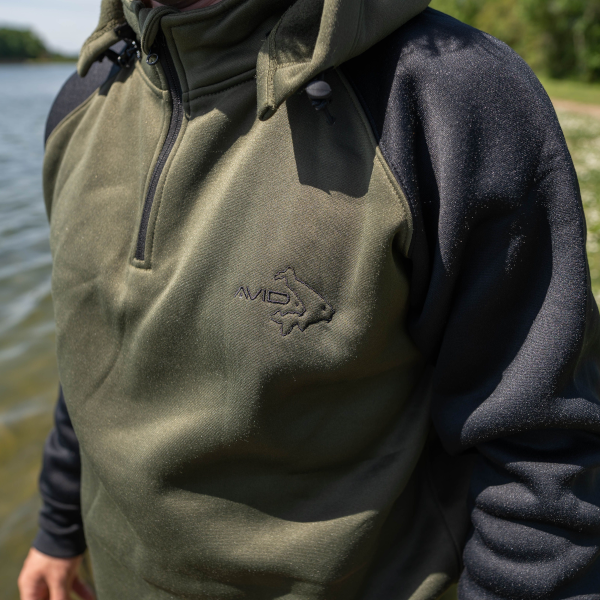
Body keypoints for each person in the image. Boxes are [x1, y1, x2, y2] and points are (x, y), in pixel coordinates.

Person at [17, 0, 600, 597]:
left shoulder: (450, 95)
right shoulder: (83, 98)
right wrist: (58, 528)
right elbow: (91, 350)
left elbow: (543, 464)